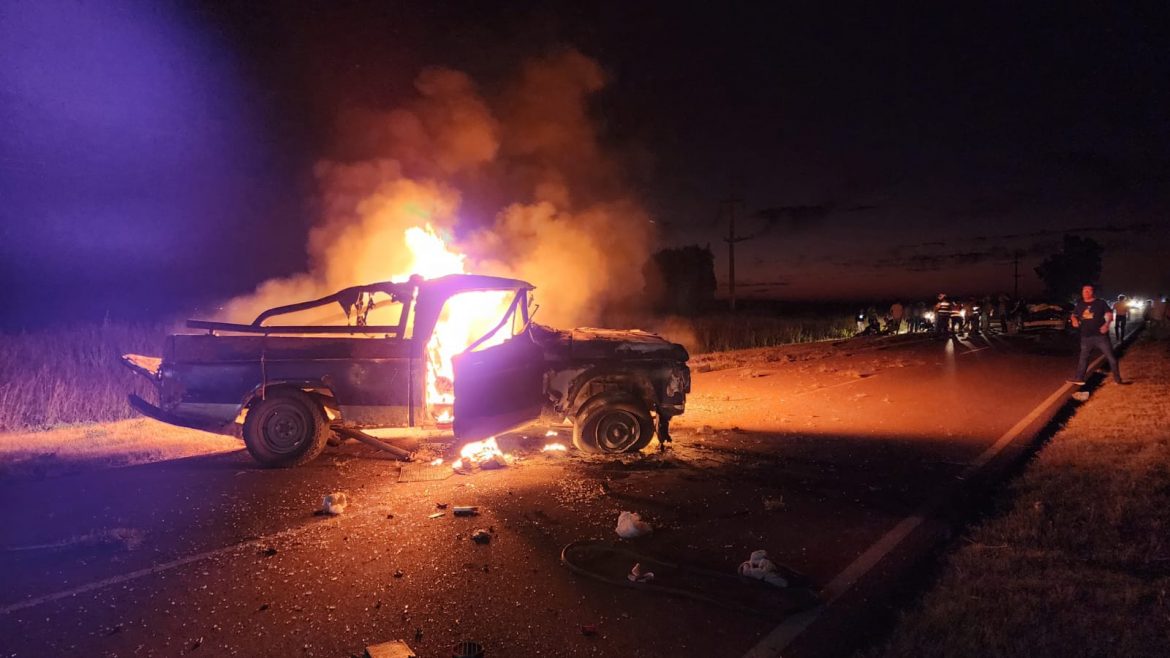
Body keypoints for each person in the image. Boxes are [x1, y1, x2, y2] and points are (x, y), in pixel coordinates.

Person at [1068, 284, 1127, 385]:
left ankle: (1118, 379)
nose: (1086, 293)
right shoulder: (1080, 304)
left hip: (1101, 336)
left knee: (1111, 357)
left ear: (1092, 292)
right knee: (1083, 358)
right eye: (1084, 291)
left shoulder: (1100, 303)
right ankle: (1079, 378)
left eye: (1088, 291)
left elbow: (1109, 314)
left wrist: (1107, 324)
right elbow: (1074, 314)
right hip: (1086, 336)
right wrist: (1074, 320)